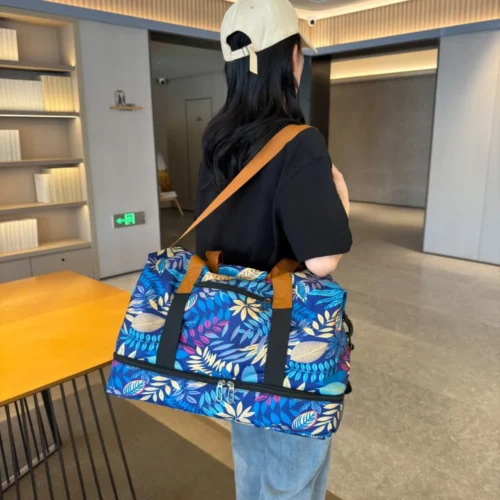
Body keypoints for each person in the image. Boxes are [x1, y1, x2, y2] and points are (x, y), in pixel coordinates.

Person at [195, 0, 352, 498]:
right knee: (292, 475)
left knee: (251, 459)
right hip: (286, 338)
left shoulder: (217, 139)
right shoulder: (300, 142)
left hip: (232, 338)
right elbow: (322, 260)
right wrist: (341, 197)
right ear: (290, 59)